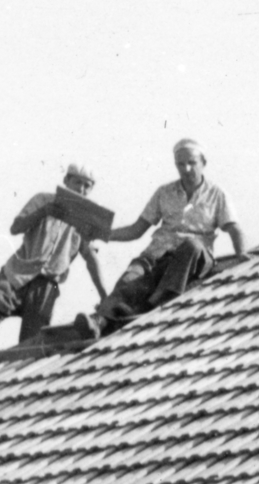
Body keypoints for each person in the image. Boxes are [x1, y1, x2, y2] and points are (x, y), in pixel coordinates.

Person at [76, 138, 247, 339]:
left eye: (192, 162)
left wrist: (242, 257)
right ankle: (99, 321)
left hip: (195, 258)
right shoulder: (164, 192)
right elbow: (136, 229)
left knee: (191, 245)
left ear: (203, 163)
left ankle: (153, 304)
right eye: (181, 164)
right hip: (158, 255)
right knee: (130, 278)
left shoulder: (217, 194)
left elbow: (235, 230)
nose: (187, 168)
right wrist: (102, 234)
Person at [0, 165, 107, 371]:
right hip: (16, 274)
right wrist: (44, 212)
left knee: (30, 346)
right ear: (66, 181)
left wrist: (103, 294)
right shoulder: (43, 200)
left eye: (87, 186)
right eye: (78, 183)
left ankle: (13, 385)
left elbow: (91, 258)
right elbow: (16, 227)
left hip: (46, 285)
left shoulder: (85, 219)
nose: (82, 190)